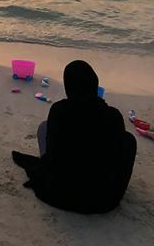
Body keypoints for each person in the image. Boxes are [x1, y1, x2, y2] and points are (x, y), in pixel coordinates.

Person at [12, 60, 136, 213]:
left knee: (44, 127)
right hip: (103, 199)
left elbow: (53, 152)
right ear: (94, 85)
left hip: (61, 193)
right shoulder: (112, 115)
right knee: (128, 140)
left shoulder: (59, 111)